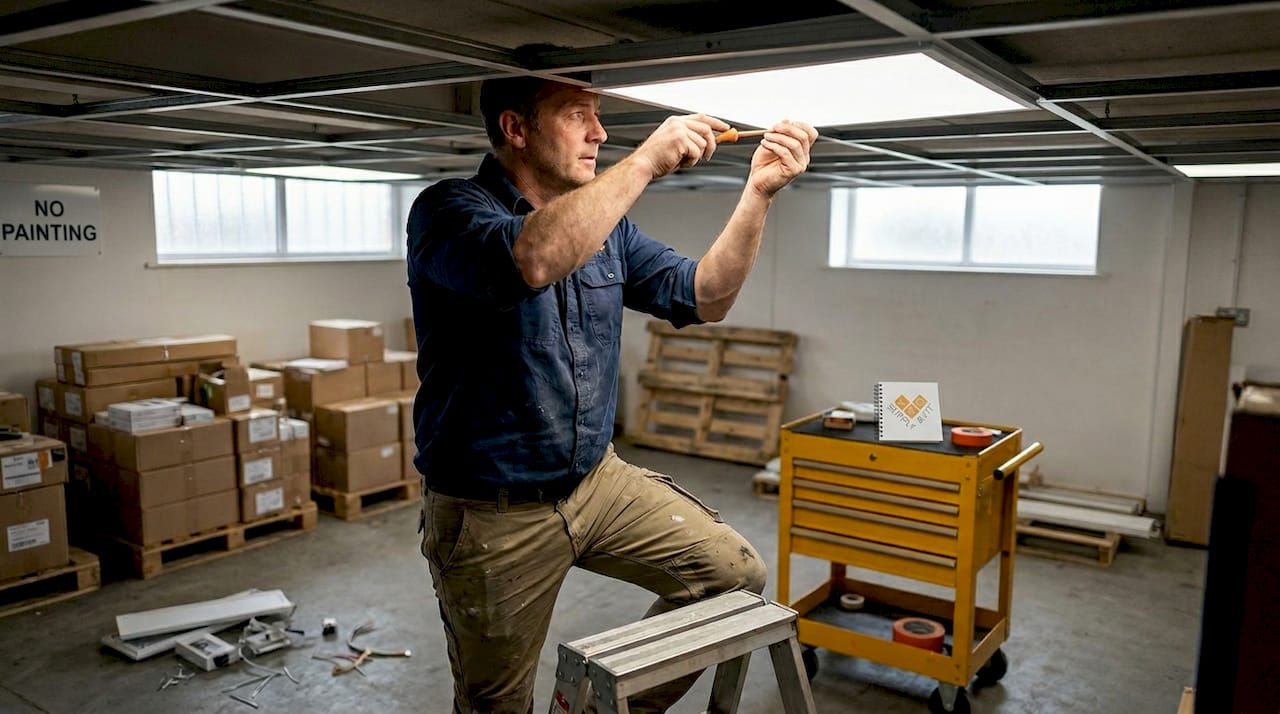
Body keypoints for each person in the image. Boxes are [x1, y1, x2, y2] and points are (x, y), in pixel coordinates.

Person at [405, 66, 817, 713]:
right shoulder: (447, 212)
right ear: (516, 128)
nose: (599, 132)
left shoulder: (609, 233)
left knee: (729, 577)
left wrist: (758, 194)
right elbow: (532, 259)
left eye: (599, 114)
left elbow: (705, 295)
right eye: (577, 115)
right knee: (496, 704)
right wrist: (648, 159)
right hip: (493, 511)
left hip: (596, 483)